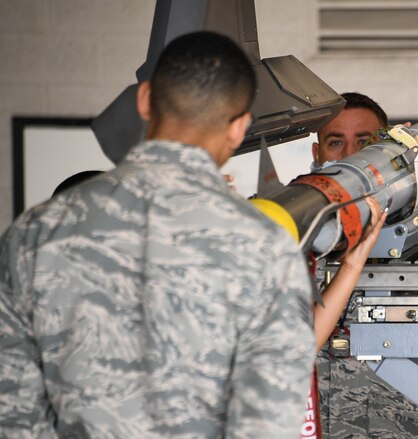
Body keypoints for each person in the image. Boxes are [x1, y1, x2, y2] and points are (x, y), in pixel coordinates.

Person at [0, 31, 316, 437]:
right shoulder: (264, 245)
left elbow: (13, 409)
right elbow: (269, 422)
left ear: (145, 100)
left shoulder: (36, 232)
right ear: (239, 127)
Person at [312, 92, 418, 439]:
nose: (350, 155)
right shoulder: (292, 238)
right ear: (317, 153)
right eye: (335, 142)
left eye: (366, 144)